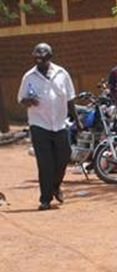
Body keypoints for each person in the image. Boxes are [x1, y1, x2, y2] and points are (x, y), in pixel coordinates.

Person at [17, 43, 77, 211]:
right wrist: (28, 101)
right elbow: (21, 98)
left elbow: (70, 98)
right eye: (36, 58)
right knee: (45, 163)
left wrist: (77, 122)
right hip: (39, 124)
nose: (39, 61)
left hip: (60, 123)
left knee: (65, 156)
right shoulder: (29, 76)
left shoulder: (62, 73)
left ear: (49, 57)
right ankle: (45, 199)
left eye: (42, 58)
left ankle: (56, 185)